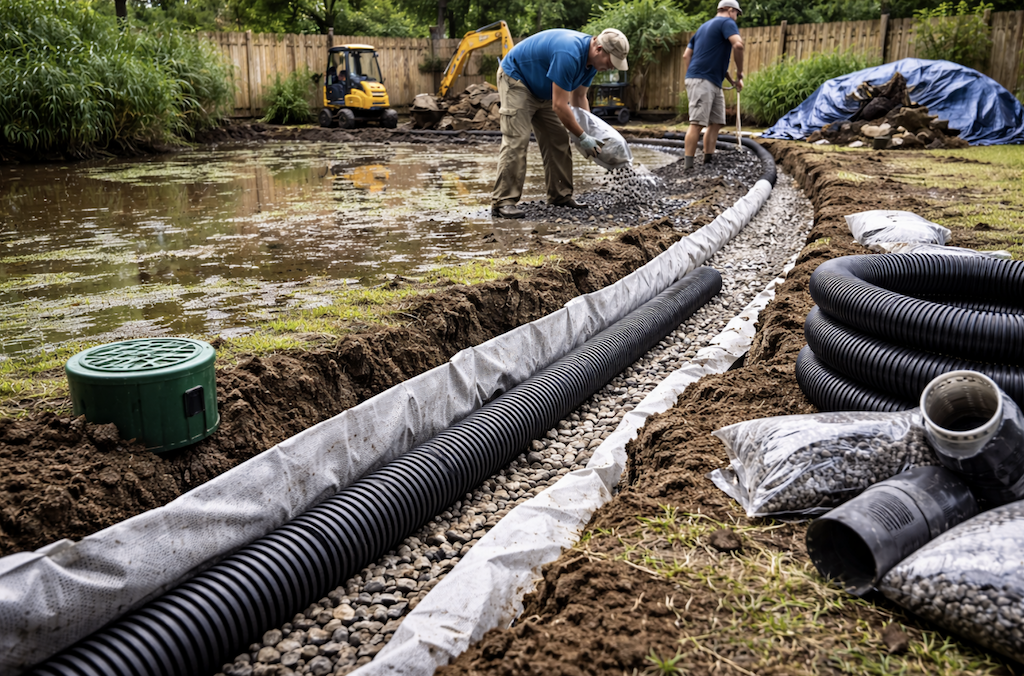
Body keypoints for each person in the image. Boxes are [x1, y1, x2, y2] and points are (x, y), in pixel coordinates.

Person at [491, 28, 630, 219]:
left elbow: (579, 98)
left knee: (558, 139)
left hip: (545, 90)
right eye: (611, 61)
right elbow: (559, 105)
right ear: (599, 49)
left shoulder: (591, 64)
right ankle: (503, 201)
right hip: (517, 79)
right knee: (517, 139)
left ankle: (560, 196)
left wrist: (591, 134)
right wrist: (582, 137)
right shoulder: (569, 53)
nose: (612, 67)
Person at [681, 0, 744, 169]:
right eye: (737, 14)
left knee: (716, 122)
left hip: (711, 81)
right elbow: (738, 45)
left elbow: (687, 55)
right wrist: (740, 74)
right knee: (697, 123)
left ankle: (708, 160)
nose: (736, 18)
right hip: (702, 80)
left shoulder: (703, 28)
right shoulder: (727, 22)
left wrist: (731, 81)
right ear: (730, 10)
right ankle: (688, 166)